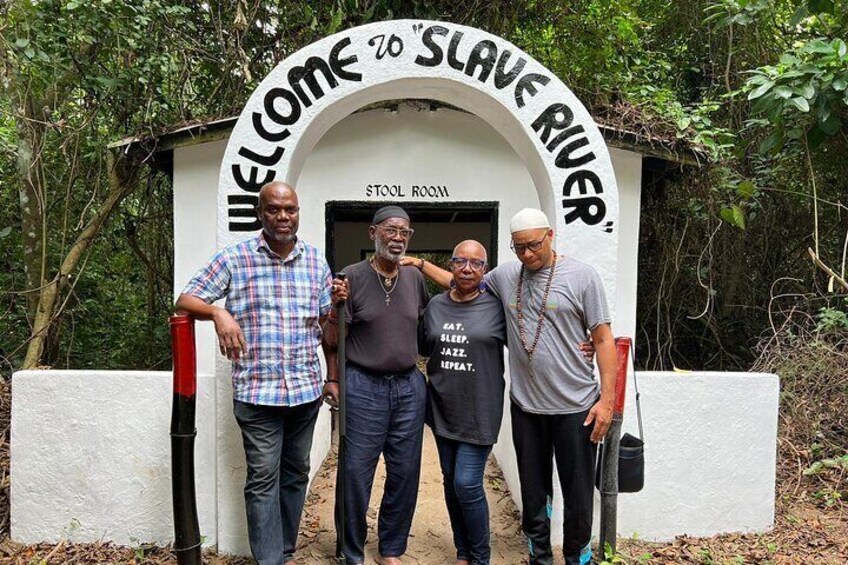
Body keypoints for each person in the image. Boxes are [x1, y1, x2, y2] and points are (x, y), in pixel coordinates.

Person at [408, 208, 616, 565]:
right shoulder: (507, 275)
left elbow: (602, 339)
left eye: (533, 245)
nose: (527, 254)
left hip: (576, 406)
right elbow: (462, 281)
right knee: (534, 494)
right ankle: (539, 556)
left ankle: (577, 558)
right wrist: (422, 265)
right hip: (526, 407)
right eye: (518, 247)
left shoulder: (583, 276)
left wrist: (607, 402)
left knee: (578, 493)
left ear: (550, 236)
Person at [175, 181, 334, 565]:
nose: (283, 216)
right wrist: (218, 312)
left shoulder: (316, 261)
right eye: (274, 209)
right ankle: (270, 561)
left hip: (305, 390)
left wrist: (332, 375)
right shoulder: (235, 258)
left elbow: (328, 327)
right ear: (260, 214)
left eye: (290, 209)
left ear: (298, 213)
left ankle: (283, 548)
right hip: (257, 393)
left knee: (296, 473)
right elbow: (185, 298)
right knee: (263, 479)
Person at [322, 205, 430, 565]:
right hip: (363, 385)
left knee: (405, 471)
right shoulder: (350, 277)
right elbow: (332, 338)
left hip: (408, 387)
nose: (398, 238)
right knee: (355, 471)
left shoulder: (414, 279)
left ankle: (391, 548)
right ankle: (351, 550)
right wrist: (333, 377)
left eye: (405, 232)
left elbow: (427, 325)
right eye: (391, 230)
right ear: (374, 233)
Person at [418, 240, 506, 565]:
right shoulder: (436, 306)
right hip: (442, 409)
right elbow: (425, 348)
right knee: (450, 481)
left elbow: (529, 345)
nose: (467, 268)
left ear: (485, 270)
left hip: (481, 411)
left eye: (476, 263)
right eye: (460, 261)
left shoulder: (497, 307)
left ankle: (480, 557)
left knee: (467, 484)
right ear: (451, 265)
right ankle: (463, 551)